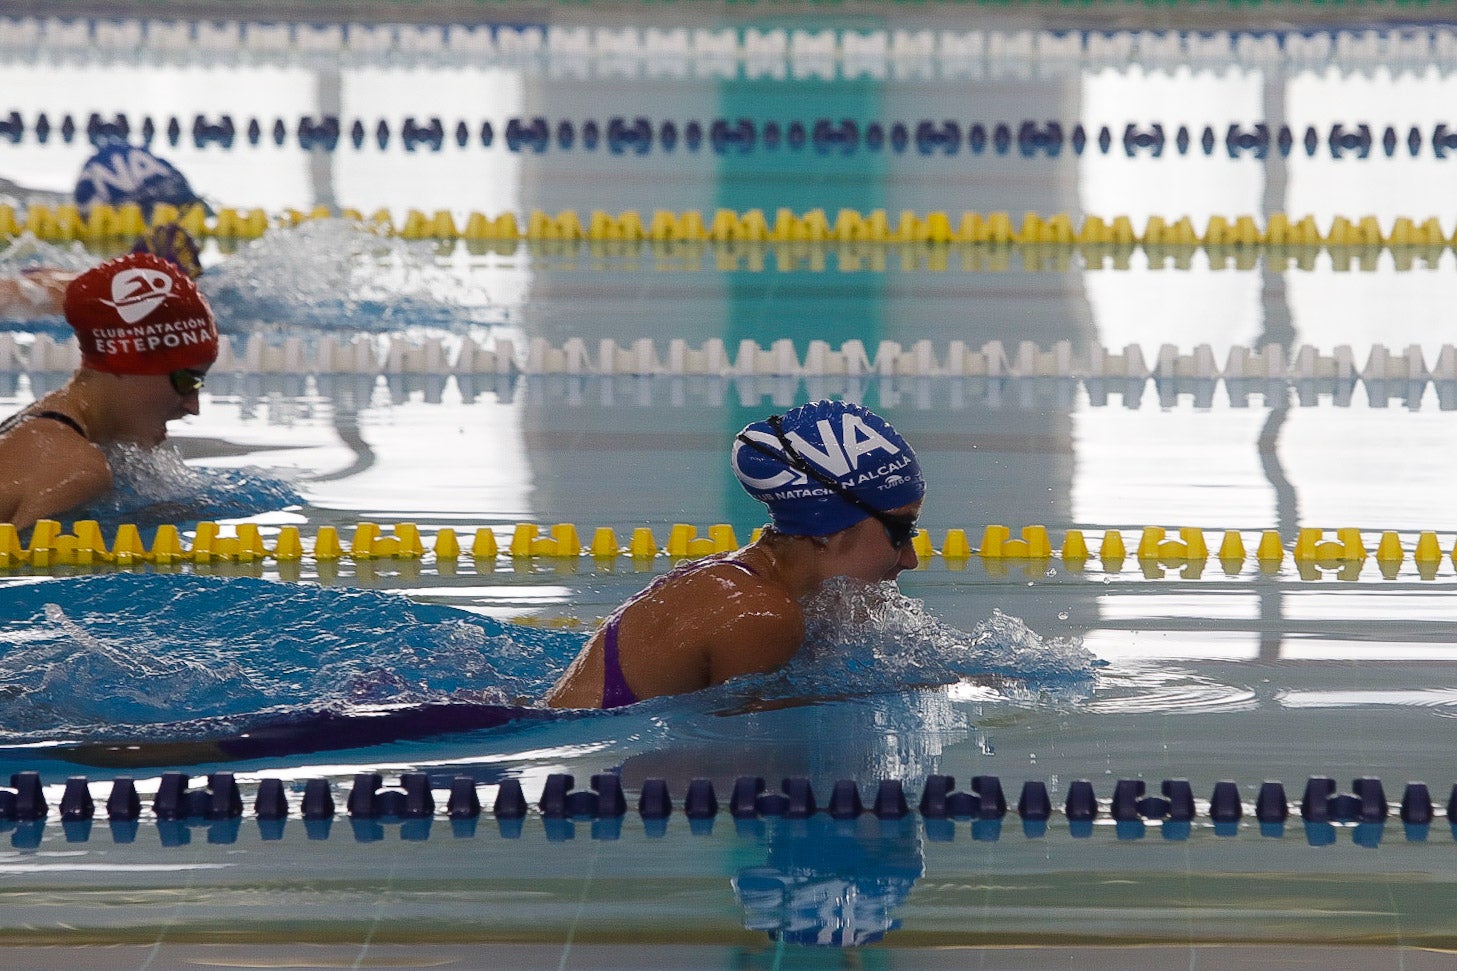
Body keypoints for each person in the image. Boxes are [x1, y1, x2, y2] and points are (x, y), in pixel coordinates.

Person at [546, 399, 924, 709]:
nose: (910, 559)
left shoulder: (747, 581)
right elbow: (753, 765)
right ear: (829, 529)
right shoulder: (761, 614)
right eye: (901, 532)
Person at [0, 250, 218, 530]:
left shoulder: (35, 429)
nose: (193, 406)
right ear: (128, 364)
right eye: (187, 381)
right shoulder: (76, 468)